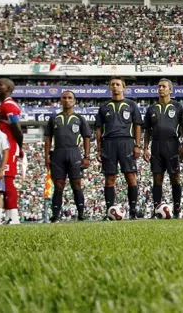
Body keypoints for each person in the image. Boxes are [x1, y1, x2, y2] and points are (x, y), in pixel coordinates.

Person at [96, 77, 143, 219]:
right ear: (110, 88)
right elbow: (98, 128)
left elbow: (137, 126)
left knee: (130, 176)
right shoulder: (104, 107)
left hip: (127, 142)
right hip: (109, 143)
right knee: (110, 178)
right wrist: (99, 148)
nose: (115, 87)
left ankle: (133, 210)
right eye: (112, 85)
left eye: (118, 84)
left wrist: (137, 145)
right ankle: (109, 210)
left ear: (124, 87)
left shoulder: (131, 105)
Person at [44, 90, 92, 222]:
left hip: (74, 152)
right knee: (59, 184)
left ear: (74, 101)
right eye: (64, 97)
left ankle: (81, 213)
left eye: (69, 98)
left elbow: (86, 138)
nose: (66, 100)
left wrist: (87, 156)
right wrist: (46, 156)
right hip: (58, 153)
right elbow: (48, 138)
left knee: (76, 183)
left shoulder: (80, 119)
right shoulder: (54, 118)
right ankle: (55, 215)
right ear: (60, 100)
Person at [143, 79, 183, 219]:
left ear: (170, 90)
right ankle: (156, 209)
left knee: (175, 177)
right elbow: (147, 131)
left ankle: (177, 209)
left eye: (164, 86)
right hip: (156, 145)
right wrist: (145, 147)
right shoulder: (151, 109)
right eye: (159, 86)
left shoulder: (178, 107)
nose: (161, 88)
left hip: (172, 145)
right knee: (157, 178)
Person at [0, 78, 24, 224]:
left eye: (0, 85)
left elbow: (17, 128)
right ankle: (7, 215)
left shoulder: (9, 105)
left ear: (8, 88)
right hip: (1, 147)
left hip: (9, 147)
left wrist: (20, 146)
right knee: (3, 182)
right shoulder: (1, 106)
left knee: (8, 180)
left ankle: (14, 215)